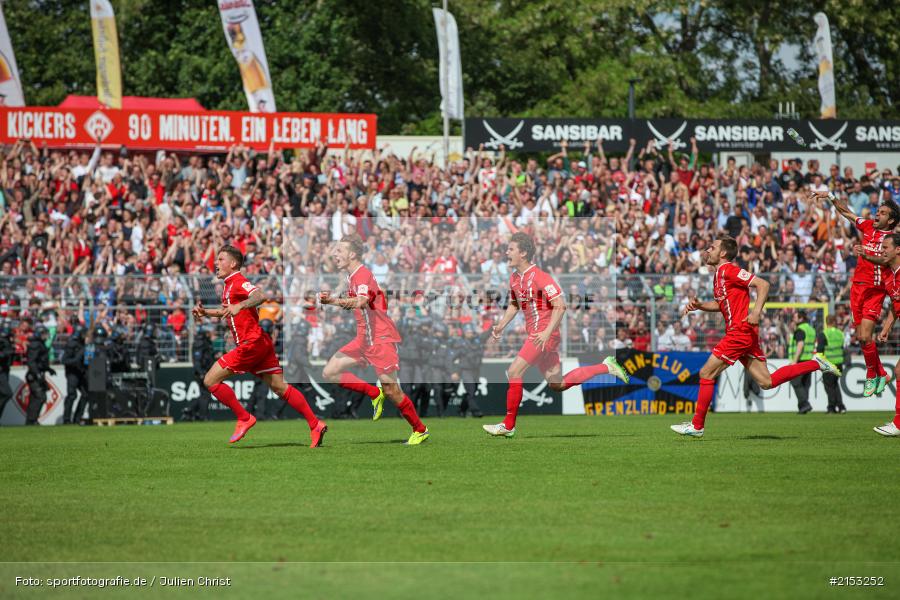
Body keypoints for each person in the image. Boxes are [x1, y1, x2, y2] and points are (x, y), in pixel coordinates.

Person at [671, 235, 842, 437]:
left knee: (706, 373)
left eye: (712, 247)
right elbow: (720, 305)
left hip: (739, 332)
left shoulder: (729, 270)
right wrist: (700, 306)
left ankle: (697, 426)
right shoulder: (719, 275)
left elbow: (763, 285)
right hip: (744, 334)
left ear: (723, 253)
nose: (708, 250)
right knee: (766, 382)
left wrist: (756, 312)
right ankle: (816, 363)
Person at [484, 232, 629, 437]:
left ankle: (508, 426)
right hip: (538, 334)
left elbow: (560, 306)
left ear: (523, 253)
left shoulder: (541, 277)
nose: (506, 252)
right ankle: (607, 366)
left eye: (511, 249)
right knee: (557, 384)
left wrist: (546, 332)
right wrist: (500, 326)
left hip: (544, 335)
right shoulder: (515, 278)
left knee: (514, 371)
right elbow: (515, 304)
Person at [192, 245, 326, 447]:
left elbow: (260, 296)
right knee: (280, 387)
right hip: (260, 342)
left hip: (250, 344)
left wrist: (240, 305)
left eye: (220, 260)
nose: (216, 264)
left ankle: (244, 417)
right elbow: (228, 311)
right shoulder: (229, 286)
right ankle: (315, 424)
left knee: (210, 381)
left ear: (233, 263)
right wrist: (206, 313)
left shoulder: (238, 281)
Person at [319, 234, 429, 445]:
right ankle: (373, 392)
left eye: (339, 250)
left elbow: (360, 302)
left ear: (352, 254)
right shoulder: (352, 276)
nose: (335, 254)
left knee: (392, 390)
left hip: (380, 339)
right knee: (330, 371)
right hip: (363, 339)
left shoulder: (362, 274)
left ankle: (420, 429)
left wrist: (333, 300)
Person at [820, 190, 900, 396]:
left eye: (882, 213)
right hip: (857, 287)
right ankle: (881, 372)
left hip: (875, 289)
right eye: (878, 211)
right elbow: (846, 212)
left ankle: (872, 374)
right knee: (862, 338)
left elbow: (884, 260)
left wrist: (866, 253)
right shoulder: (867, 227)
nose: (877, 214)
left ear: (891, 220)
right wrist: (830, 196)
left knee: (865, 334)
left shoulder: (892, 239)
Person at [853, 234, 900, 435]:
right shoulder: (889, 277)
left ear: (898, 249)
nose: (882, 250)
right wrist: (887, 326)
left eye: (886, 247)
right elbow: (895, 307)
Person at [453, 324, 489, 418]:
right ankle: (476, 411)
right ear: (464, 333)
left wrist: (494, 325)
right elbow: (451, 358)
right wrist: (455, 372)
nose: (470, 334)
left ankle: (461, 409)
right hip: (465, 370)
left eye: (471, 332)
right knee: (471, 390)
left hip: (476, 370)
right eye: (468, 332)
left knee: (471, 392)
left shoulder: (477, 341)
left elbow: (486, 335)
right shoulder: (460, 344)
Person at [25, 326, 55, 425]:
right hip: (34, 375)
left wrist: (48, 369)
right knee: (40, 397)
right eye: (44, 333)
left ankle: (31, 420)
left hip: (38, 373)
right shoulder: (35, 345)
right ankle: (32, 420)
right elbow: (32, 362)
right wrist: (37, 373)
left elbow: (41, 361)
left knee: (35, 397)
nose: (46, 336)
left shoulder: (40, 344)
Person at [787, 311, 816, 414]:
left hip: (800, 360)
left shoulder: (800, 330)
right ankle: (803, 408)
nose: (793, 319)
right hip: (809, 359)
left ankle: (805, 404)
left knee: (795, 382)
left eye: (795, 317)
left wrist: (794, 360)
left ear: (801, 318)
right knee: (805, 385)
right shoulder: (811, 329)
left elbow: (800, 345)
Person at [818, 314, 847, 414]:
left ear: (826, 322)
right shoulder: (840, 333)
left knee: (829, 386)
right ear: (834, 321)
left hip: (828, 363)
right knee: (835, 385)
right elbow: (843, 347)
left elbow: (820, 351)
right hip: (839, 363)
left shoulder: (824, 334)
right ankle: (841, 406)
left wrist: (819, 363)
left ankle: (831, 407)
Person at [185, 324, 215, 421]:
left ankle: (190, 410)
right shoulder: (200, 343)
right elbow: (197, 361)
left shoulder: (205, 342)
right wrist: (201, 373)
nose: (211, 334)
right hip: (202, 372)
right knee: (205, 394)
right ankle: (202, 416)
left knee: (204, 394)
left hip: (205, 371)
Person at [62, 327, 88, 424]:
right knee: (72, 395)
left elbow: (88, 361)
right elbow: (64, 360)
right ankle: (66, 419)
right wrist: (77, 358)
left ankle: (77, 418)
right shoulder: (72, 344)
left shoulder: (87, 346)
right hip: (72, 373)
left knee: (86, 394)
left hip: (82, 373)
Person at [0, 325, 14, 423]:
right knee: (7, 393)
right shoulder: (3, 341)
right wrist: (5, 353)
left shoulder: (7, 341)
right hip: (1, 371)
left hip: (4, 370)